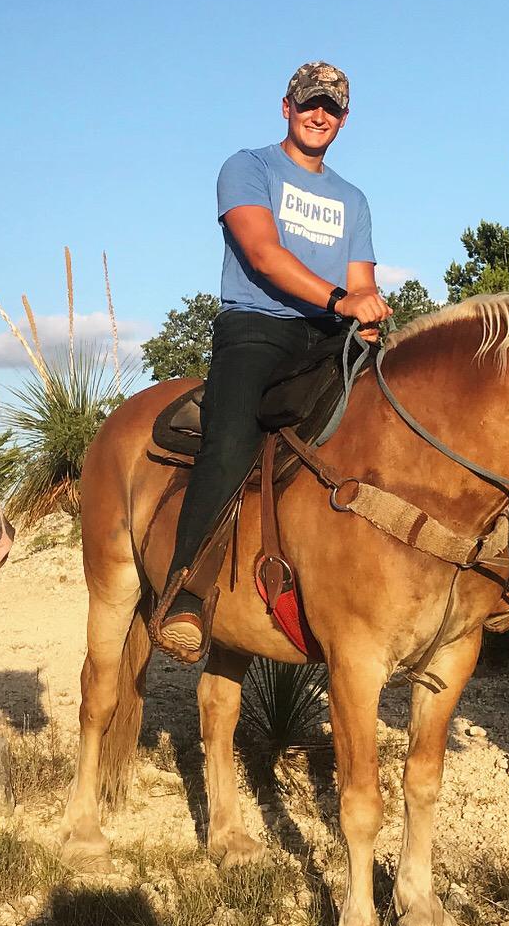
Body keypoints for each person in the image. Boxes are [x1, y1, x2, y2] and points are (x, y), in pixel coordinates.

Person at [155, 61, 391, 658]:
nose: (320, 115)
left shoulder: (353, 199)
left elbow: (360, 283)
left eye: (332, 109)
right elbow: (262, 254)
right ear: (286, 106)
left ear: (344, 120)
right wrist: (342, 299)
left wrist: (362, 316)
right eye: (311, 103)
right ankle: (184, 593)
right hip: (257, 328)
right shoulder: (248, 168)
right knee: (231, 440)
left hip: (327, 336)